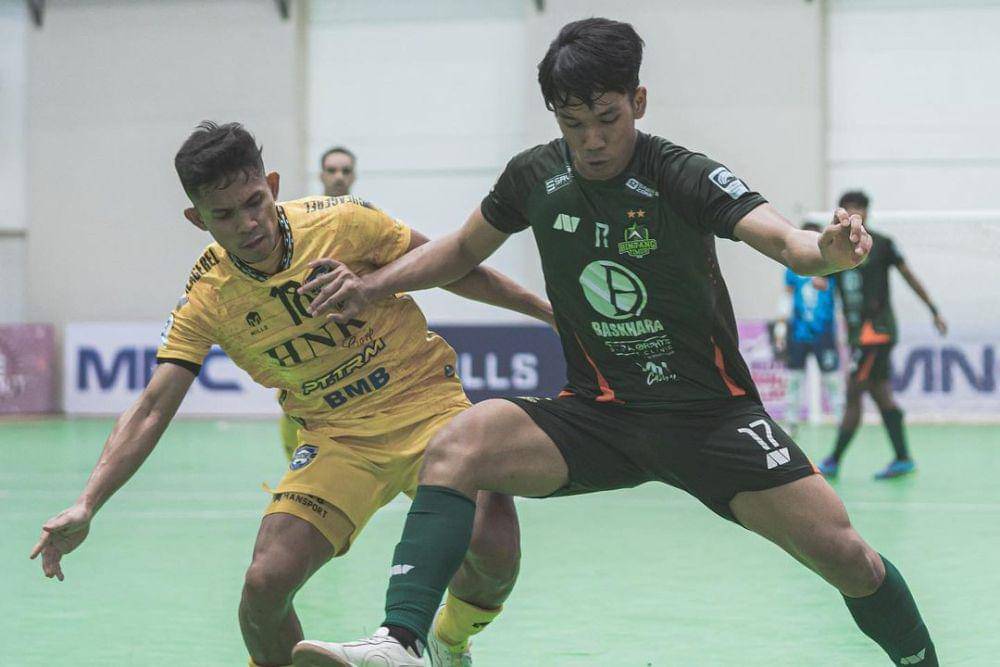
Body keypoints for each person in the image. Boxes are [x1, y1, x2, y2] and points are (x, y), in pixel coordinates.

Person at [291, 18, 937, 667]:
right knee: (459, 444)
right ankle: (402, 641)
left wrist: (826, 251)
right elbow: (461, 249)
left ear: (639, 101)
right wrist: (370, 286)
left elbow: (786, 241)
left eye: (608, 118)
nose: (593, 140)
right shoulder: (534, 177)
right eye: (574, 123)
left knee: (849, 559)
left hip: (710, 418)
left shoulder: (681, 173)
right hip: (597, 416)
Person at [30, 122, 555, 667]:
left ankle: (448, 640)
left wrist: (547, 313)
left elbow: (455, 266)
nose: (247, 224)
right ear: (197, 219)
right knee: (264, 586)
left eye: (254, 202)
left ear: (273, 186)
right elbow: (152, 407)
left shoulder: (344, 223)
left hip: (426, 406)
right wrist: (88, 502)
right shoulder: (208, 297)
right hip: (337, 438)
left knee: (495, 551)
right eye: (223, 215)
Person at [819, 190, 947, 480]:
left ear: (867, 212)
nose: (854, 213)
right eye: (849, 208)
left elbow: (909, 276)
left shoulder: (883, 244)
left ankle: (833, 460)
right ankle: (903, 458)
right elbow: (819, 277)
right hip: (858, 334)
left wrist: (933, 310)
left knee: (854, 392)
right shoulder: (837, 248)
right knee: (880, 393)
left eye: (859, 208)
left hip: (876, 333)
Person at [279, 145, 361, 461]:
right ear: (321, 175)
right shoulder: (301, 222)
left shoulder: (366, 222)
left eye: (345, 170)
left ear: (354, 176)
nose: (339, 176)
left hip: (353, 336)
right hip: (306, 337)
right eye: (332, 170)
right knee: (296, 408)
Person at [777, 222, 842, 436]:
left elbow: (839, 298)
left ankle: (842, 423)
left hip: (824, 333)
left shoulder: (833, 267)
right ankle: (791, 423)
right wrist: (780, 327)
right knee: (794, 379)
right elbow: (786, 296)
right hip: (798, 333)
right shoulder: (793, 268)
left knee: (832, 380)